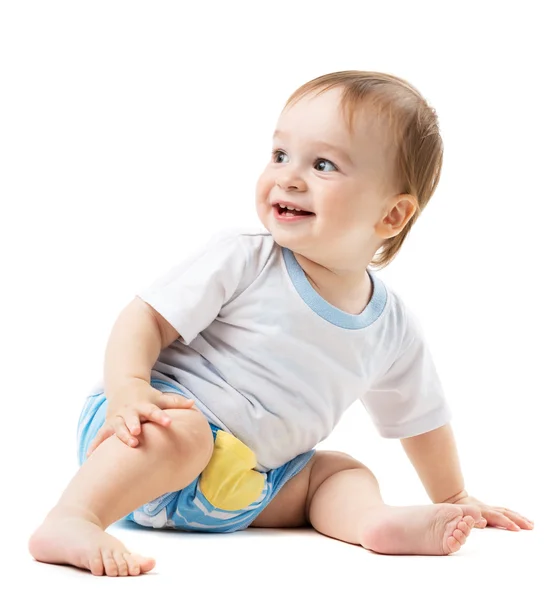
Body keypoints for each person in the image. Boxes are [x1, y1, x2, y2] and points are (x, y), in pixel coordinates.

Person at [28, 70, 534, 577]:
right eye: (279, 155)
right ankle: (74, 516)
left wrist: (455, 494)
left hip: (245, 487)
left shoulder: (392, 328)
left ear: (392, 215)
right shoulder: (246, 260)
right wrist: (129, 390)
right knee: (185, 432)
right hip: (142, 435)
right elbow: (144, 318)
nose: (289, 177)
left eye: (322, 164)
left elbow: (422, 420)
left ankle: (371, 524)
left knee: (335, 472)